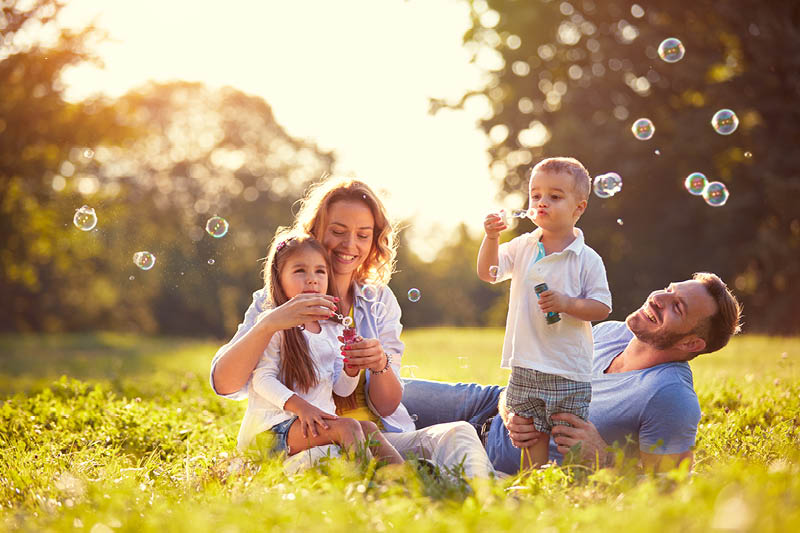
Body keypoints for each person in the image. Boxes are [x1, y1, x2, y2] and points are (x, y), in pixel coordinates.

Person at [210, 177, 494, 477]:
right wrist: (267, 324)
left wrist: (377, 364)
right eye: (338, 231)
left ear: (374, 240)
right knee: (335, 460)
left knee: (459, 433)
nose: (350, 245)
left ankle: (485, 499)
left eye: (363, 235)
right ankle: (404, 485)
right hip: (309, 440)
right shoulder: (275, 301)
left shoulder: (378, 300)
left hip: (377, 436)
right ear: (315, 231)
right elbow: (225, 383)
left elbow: (384, 406)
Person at [401, 272, 742, 474]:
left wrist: (604, 458)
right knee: (379, 390)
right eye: (668, 290)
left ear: (692, 343)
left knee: (378, 445)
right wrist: (509, 405)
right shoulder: (611, 333)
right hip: (488, 403)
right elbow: (531, 376)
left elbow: (668, 491)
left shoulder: (670, 397)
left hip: (497, 458)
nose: (657, 298)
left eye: (676, 306)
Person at [477, 157, 612, 468]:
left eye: (554, 196)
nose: (541, 203)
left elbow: (602, 307)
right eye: (535, 195)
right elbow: (489, 271)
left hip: (568, 367)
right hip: (525, 362)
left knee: (569, 436)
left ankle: (577, 485)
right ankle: (534, 485)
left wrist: (567, 304)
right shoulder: (523, 246)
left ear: (579, 207)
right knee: (529, 434)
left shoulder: (586, 259)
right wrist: (492, 238)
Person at [239, 234, 403, 464]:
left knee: (367, 429)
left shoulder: (330, 329)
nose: (312, 279)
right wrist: (303, 408)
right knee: (347, 427)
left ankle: (404, 479)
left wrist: (350, 369)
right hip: (271, 431)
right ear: (279, 278)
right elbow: (262, 379)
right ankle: (369, 484)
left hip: (313, 424)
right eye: (300, 271)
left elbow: (342, 390)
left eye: (320, 271)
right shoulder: (274, 323)